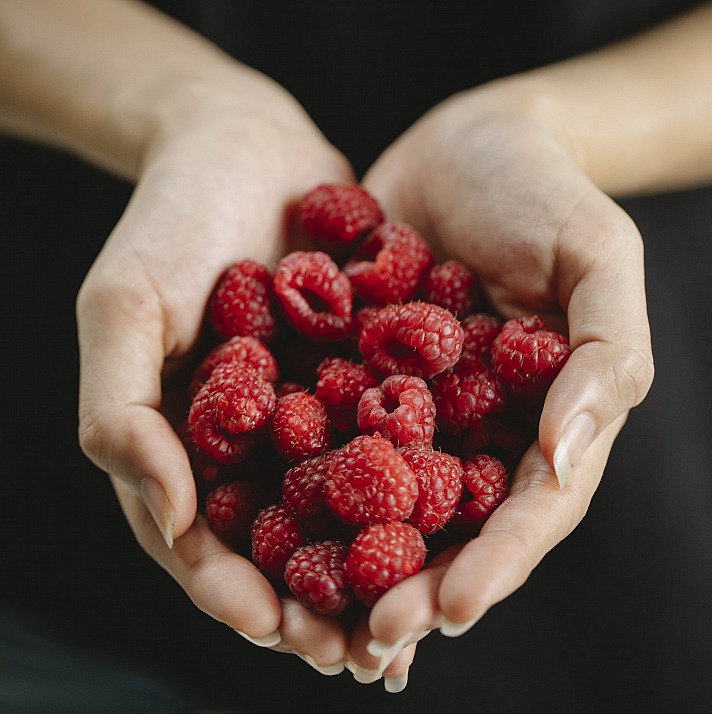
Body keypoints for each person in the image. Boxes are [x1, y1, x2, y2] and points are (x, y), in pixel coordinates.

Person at [1, 1, 710, 711]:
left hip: (625, 591)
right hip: (83, 588)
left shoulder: (418, 392)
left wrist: (555, 130)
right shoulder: (316, 407)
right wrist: (188, 110)